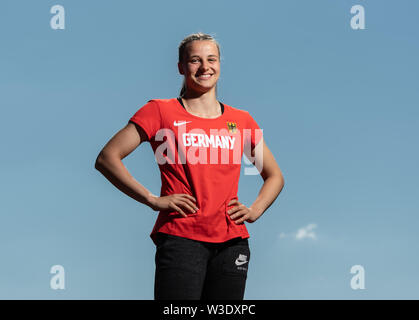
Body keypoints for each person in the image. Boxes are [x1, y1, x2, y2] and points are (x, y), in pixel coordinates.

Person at [94, 32, 285, 300]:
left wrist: (255, 209)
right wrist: (152, 199)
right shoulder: (160, 111)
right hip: (181, 237)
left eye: (211, 59)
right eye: (195, 60)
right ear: (181, 67)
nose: (205, 67)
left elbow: (274, 175)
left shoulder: (241, 120)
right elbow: (107, 158)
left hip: (232, 242)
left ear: (219, 64)